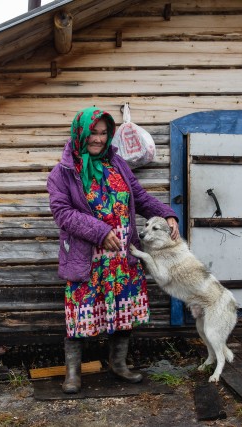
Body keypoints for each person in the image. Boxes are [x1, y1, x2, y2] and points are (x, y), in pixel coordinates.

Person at [47, 107, 179, 394]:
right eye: (92, 132)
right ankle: (73, 374)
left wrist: (167, 215)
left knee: (123, 312)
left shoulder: (117, 164)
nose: (97, 139)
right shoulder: (64, 172)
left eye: (103, 133)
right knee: (79, 314)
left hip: (122, 256)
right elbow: (62, 213)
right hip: (86, 256)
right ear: (80, 133)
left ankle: (118, 365)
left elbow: (140, 199)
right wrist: (100, 231)